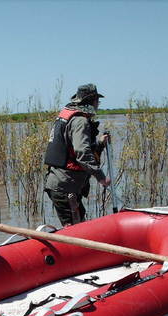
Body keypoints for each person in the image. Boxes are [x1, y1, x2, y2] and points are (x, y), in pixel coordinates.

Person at [43, 83, 111, 226]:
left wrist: (99, 143)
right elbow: (82, 153)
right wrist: (101, 177)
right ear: (92, 101)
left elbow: (73, 148)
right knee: (75, 231)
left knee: (79, 224)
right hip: (65, 187)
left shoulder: (70, 116)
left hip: (61, 184)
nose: (98, 104)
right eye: (97, 100)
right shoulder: (80, 121)